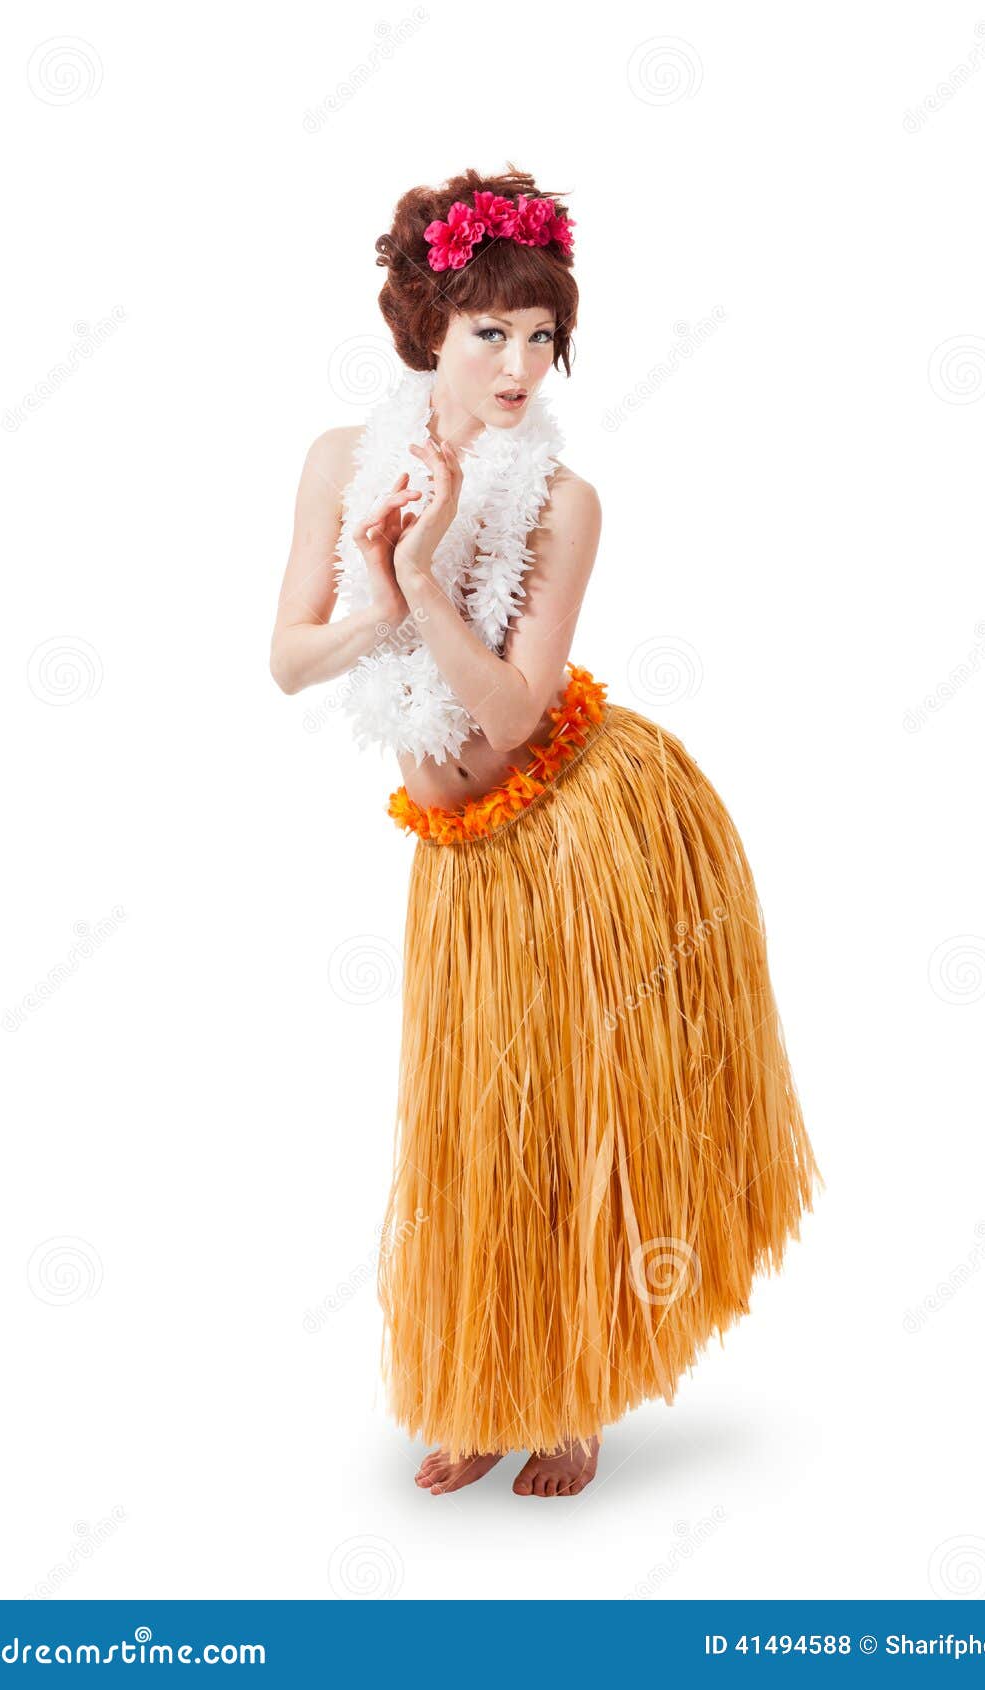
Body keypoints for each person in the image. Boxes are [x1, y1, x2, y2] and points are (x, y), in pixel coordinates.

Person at [270, 166, 821, 1500]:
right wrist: (377, 595)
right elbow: (290, 659)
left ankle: (570, 1383)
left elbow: (511, 713)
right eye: (488, 334)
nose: (519, 366)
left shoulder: (565, 504)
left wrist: (421, 578)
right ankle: (477, 1381)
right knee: (473, 1128)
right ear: (426, 330)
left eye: (540, 337)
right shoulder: (343, 464)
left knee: (580, 1119)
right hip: (459, 857)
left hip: (581, 833)